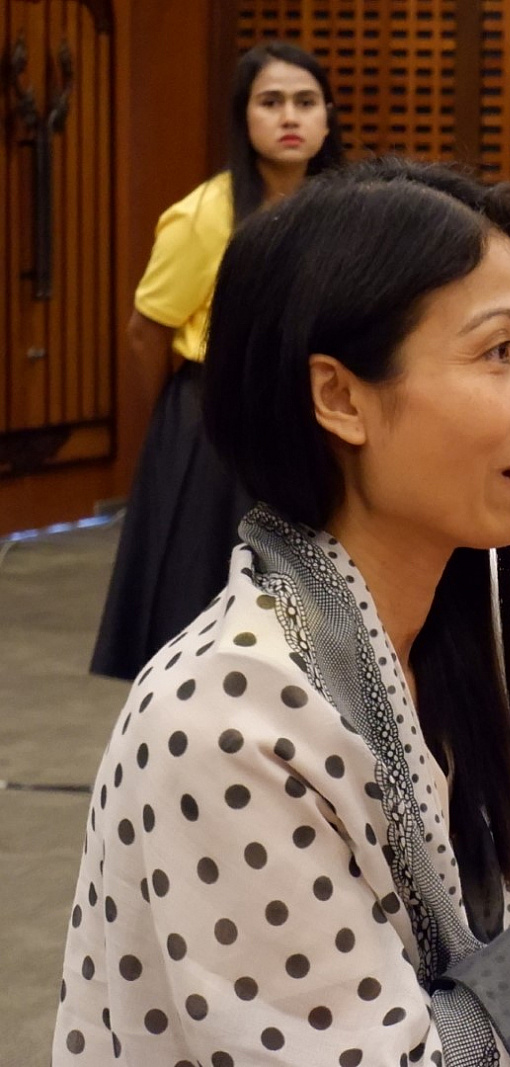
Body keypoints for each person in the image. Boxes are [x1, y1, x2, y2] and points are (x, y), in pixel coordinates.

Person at [55, 159, 510, 1067]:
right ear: (340, 397)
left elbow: (495, 975)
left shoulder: (435, 643)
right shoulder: (226, 717)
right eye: (496, 351)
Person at [92, 42, 346, 680]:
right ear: (244, 117)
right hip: (217, 421)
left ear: (327, 117)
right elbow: (146, 331)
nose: (289, 117)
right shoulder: (204, 215)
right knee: (206, 601)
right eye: (271, 102)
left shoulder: (349, 212)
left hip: (317, 416)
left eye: (305, 102)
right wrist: (181, 417)